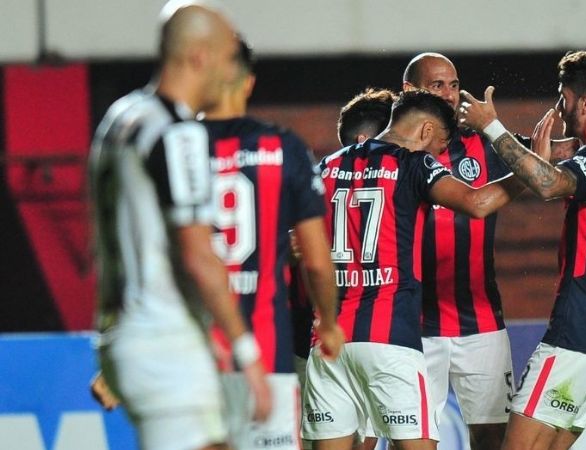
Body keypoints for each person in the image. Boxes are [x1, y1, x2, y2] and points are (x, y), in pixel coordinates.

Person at [401, 52, 586, 449]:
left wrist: (492, 127)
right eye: (438, 86)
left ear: (584, 103)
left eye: (454, 85)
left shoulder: (485, 145)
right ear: (410, 90)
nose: (451, 94)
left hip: (560, 332)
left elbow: (553, 171)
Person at [88, 2, 270, 450]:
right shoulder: (177, 132)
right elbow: (197, 254)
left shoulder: (121, 117)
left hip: (125, 330)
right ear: (199, 56)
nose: (232, 74)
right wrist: (246, 351)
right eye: (228, 59)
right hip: (162, 339)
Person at [301, 90, 525, 450]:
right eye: (440, 147)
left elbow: (295, 239)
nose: (438, 155)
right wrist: (526, 175)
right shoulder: (411, 163)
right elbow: (477, 202)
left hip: (329, 342)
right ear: (425, 131)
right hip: (390, 341)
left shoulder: (327, 165)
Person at [203, 37, 344, 450]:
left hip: (194, 356)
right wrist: (328, 322)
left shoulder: (170, 147)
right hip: (267, 353)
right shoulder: (284, 148)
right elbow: (315, 259)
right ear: (249, 82)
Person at [290, 87, 397, 450]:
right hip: (323, 339)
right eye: (393, 137)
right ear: (366, 141)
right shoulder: (324, 182)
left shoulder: (318, 178)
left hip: (350, 336)